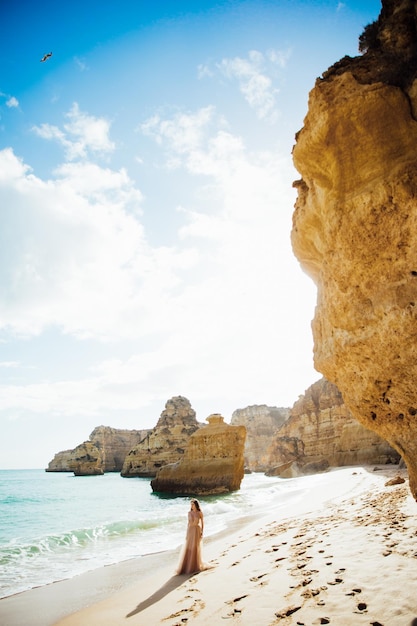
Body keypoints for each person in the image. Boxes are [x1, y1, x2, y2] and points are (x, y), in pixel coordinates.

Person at [176, 498, 205, 575]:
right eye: (191, 504)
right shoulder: (189, 513)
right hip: (190, 531)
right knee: (189, 546)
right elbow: (188, 523)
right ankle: (187, 566)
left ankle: (195, 565)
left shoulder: (200, 513)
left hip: (197, 530)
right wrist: (186, 533)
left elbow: (202, 522)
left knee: (195, 547)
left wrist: (202, 531)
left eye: (193, 504)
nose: (192, 506)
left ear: (196, 505)